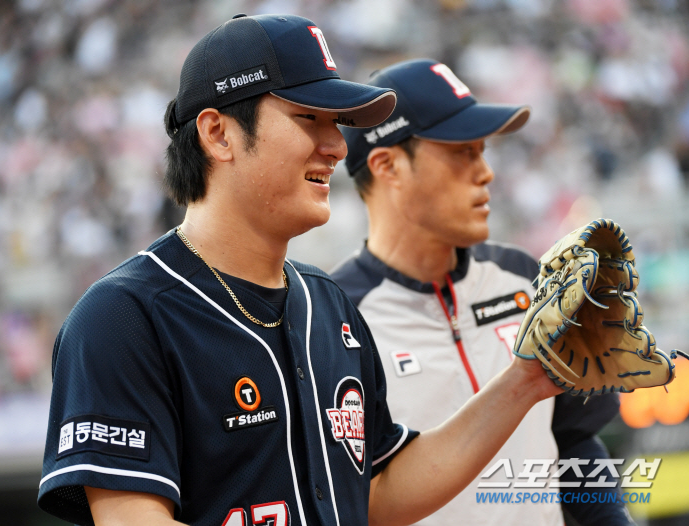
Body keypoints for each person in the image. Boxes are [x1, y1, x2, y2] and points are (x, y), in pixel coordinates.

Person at [38, 16, 561, 526]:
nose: (336, 145)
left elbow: (376, 493)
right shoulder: (122, 316)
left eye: (337, 123)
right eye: (309, 117)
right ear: (218, 134)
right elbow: (131, 517)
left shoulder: (327, 301)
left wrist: (529, 379)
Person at [332, 58, 632, 526]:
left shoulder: (524, 277)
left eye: (483, 151)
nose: (486, 172)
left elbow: (574, 437)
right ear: (387, 165)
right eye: (462, 153)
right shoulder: (333, 318)